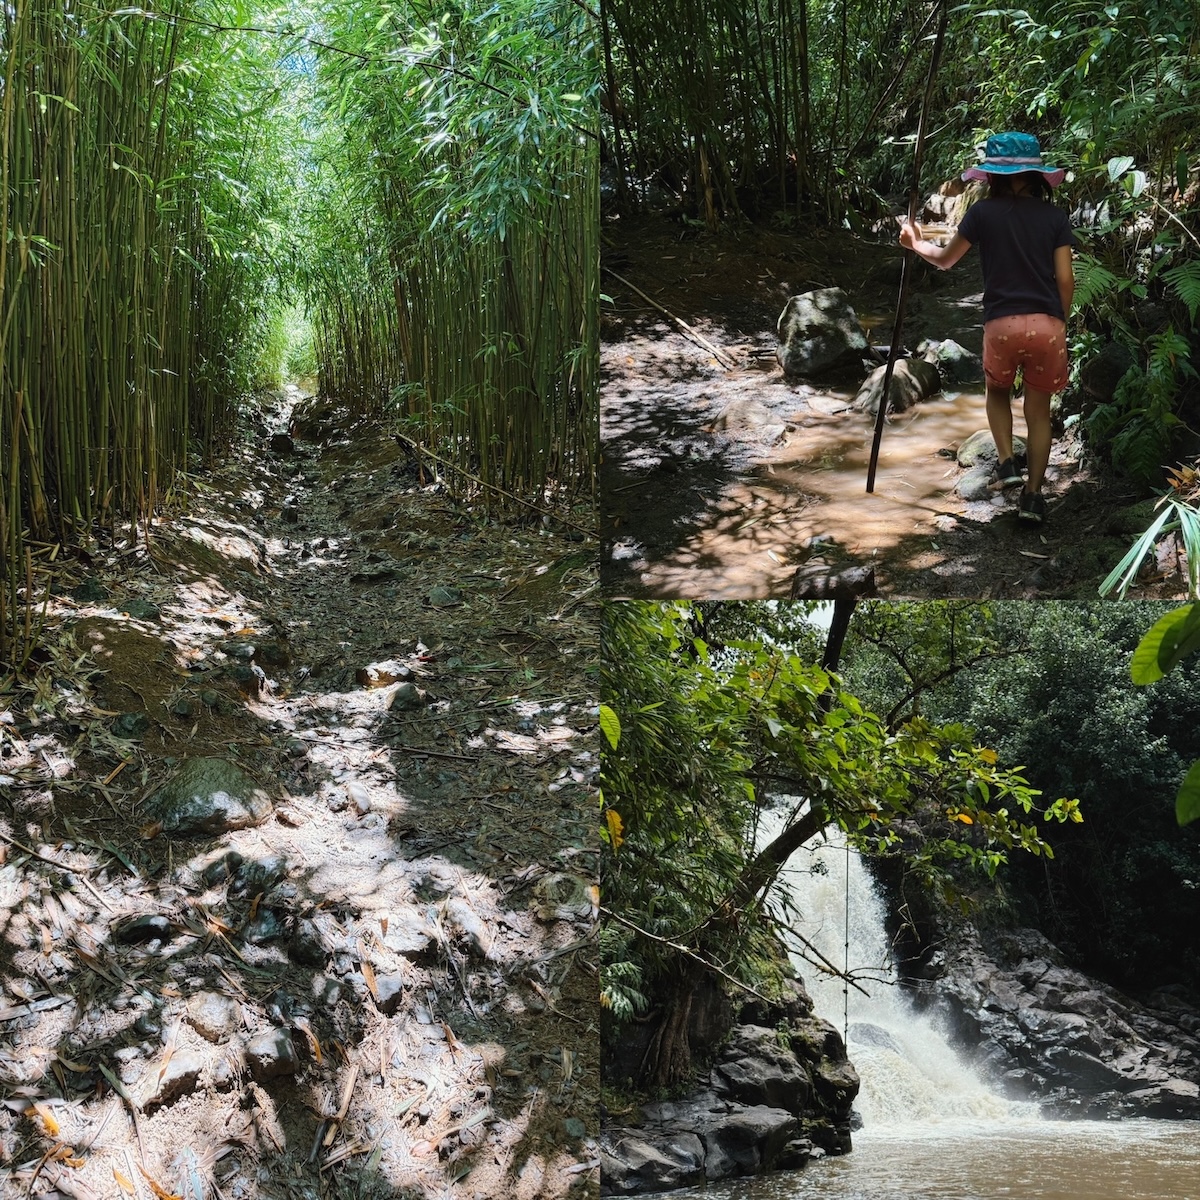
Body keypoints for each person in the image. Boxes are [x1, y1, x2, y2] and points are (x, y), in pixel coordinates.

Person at [899, 131, 1075, 525]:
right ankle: (1032, 498)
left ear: (992, 176)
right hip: (1047, 324)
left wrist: (913, 244)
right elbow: (1065, 280)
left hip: (1001, 324)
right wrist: (1058, 320)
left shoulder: (982, 214)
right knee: (1039, 413)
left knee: (997, 392)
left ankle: (1008, 462)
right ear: (1035, 175)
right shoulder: (1055, 218)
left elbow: (945, 260)